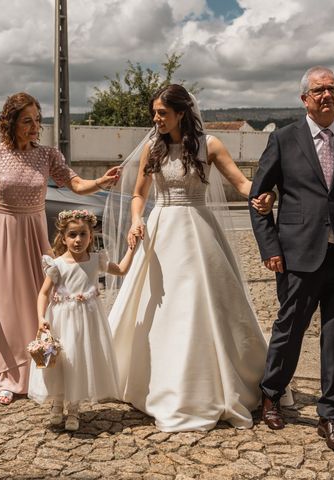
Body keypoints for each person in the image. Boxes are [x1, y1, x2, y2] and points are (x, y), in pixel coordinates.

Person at [106, 84, 285, 432]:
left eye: (162, 113)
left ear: (182, 113)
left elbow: (242, 183)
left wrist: (266, 193)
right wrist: (137, 220)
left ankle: (216, 384)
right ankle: (154, 384)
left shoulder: (210, 145)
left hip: (199, 231)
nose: (156, 119)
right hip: (160, 233)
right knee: (158, 307)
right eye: (154, 112)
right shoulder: (151, 148)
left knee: (203, 305)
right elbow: (139, 196)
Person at [249, 66, 334, 455]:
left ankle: (331, 415)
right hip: (297, 254)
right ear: (305, 99)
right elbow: (258, 200)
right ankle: (271, 393)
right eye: (318, 90)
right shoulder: (283, 139)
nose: (326, 96)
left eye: (333, 89)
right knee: (289, 328)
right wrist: (270, 248)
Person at [0, 93, 120, 405]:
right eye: (27, 121)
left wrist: (101, 180)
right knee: (5, 306)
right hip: (2, 230)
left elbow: (75, 184)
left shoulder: (48, 155)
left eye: (38, 120)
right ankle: (7, 377)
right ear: (11, 123)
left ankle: (43, 372)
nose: (35, 127)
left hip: (35, 231)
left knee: (44, 301)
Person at [28, 209, 136, 431]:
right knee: (60, 360)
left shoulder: (96, 260)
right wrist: (40, 318)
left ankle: (74, 408)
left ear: (91, 236)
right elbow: (43, 293)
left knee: (78, 360)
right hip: (61, 320)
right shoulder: (56, 264)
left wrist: (133, 249)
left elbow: (122, 270)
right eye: (72, 235)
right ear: (64, 237)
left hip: (87, 322)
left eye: (83, 235)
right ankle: (57, 404)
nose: (78, 240)